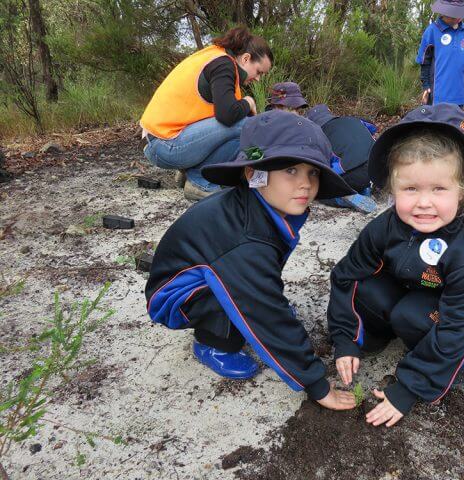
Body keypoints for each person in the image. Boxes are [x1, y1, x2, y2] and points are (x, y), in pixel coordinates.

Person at [145, 110, 356, 411]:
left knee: (251, 283)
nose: (306, 184)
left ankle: (231, 315)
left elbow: (262, 271)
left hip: (220, 269)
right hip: (173, 295)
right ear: (253, 174)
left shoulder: (262, 207)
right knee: (248, 300)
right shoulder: (245, 236)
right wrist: (317, 384)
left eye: (313, 172)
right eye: (290, 171)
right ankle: (212, 343)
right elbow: (264, 309)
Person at [327, 104, 464, 427]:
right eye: (410, 189)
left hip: (458, 312)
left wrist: (408, 388)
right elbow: (346, 276)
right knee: (368, 289)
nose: (423, 202)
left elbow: (456, 327)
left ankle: (450, 365)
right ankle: (374, 336)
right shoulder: (384, 227)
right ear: (392, 189)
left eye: (439, 189)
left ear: (463, 190)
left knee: (412, 316)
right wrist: (345, 338)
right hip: (410, 283)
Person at [140, 26, 273, 201]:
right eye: (259, 72)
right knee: (245, 125)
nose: (258, 79)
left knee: (240, 131)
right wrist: (248, 102)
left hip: (163, 141)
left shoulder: (217, 58)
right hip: (162, 145)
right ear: (246, 58)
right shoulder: (223, 64)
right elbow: (227, 115)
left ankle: (193, 173)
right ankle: (201, 182)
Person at [307, 104, 378, 214]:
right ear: (329, 113)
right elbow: (373, 129)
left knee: (318, 189)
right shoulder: (355, 120)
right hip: (376, 169)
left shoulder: (319, 136)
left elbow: (321, 166)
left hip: (353, 176)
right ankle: (365, 189)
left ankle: (345, 197)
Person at [416, 0, 464, 107]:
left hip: (458, 94)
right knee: (437, 123)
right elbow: (425, 61)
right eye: (453, 16)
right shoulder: (432, 30)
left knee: (455, 123)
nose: (458, 18)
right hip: (438, 95)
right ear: (444, 12)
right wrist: (426, 85)